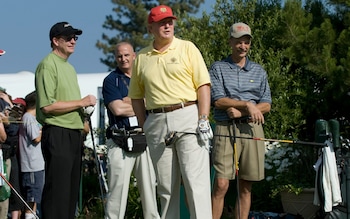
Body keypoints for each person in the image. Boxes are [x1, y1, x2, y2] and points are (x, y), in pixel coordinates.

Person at [128, 5, 213, 219]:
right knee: (165, 187)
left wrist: (203, 118)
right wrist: (144, 124)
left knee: (195, 182)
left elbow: (203, 85)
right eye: (161, 22)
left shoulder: (187, 48)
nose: (167, 25)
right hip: (155, 121)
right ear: (151, 28)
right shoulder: (142, 57)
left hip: (188, 116)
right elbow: (136, 96)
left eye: (170, 21)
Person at [35, 21, 97, 219]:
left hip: (73, 133)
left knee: (69, 194)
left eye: (75, 38)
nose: (73, 41)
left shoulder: (69, 68)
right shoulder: (47, 65)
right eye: (68, 38)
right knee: (58, 192)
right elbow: (47, 105)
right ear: (55, 41)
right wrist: (81, 102)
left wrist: (83, 116)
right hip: (57, 132)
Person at [209, 22, 272, 219]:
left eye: (246, 42)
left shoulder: (259, 71)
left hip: (252, 129)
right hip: (225, 129)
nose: (243, 46)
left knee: (246, 185)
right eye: (238, 42)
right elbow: (218, 101)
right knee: (221, 184)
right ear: (230, 42)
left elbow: (267, 105)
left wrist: (243, 111)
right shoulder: (218, 68)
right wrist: (248, 105)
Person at [102, 42, 160, 219]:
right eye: (119, 56)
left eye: (126, 55)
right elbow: (117, 109)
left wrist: (130, 101)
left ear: (134, 56)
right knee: (117, 193)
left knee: (150, 192)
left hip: (145, 139)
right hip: (120, 141)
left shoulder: (144, 77)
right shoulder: (111, 80)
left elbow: (156, 103)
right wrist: (142, 104)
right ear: (115, 58)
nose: (123, 59)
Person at [18, 91, 44, 219]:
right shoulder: (28, 117)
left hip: (37, 165)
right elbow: (36, 138)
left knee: (35, 197)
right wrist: (44, 128)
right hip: (32, 165)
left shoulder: (31, 118)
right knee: (31, 197)